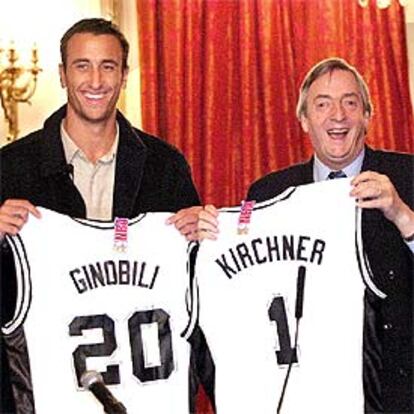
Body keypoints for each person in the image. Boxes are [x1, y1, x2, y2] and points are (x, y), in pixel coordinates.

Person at [0, 18, 204, 413]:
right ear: (62, 74)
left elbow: (195, 286)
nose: (95, 80)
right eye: (82, 65)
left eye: (107, 66)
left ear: (124, 76)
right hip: (41, 393)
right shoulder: (10, 169)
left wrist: (202, 238)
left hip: (148, 390)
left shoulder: (165, 166)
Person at [199, 57, 414, 413]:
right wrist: (211, 239)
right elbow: (244, 290)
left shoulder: (407, 177)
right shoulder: (268, 193)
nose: (338, 116)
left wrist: (403, 215)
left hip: (397, 395)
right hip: (307, 394)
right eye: (322, 104)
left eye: (350, 102)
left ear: (367, 116)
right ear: (304, 120)